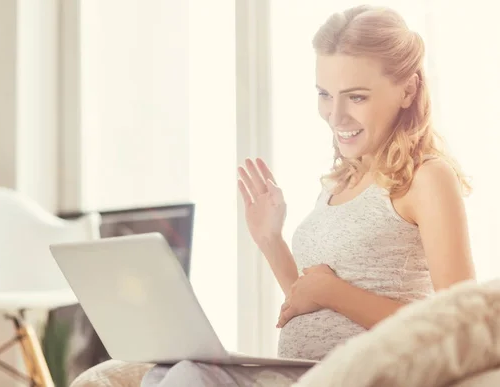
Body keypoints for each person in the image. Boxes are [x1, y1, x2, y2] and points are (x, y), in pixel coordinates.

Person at [71, 5, 476, 387]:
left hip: (363, 376)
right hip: (304, 373)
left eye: (356, 97)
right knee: (164, 373)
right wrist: (270, 239)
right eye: (324, 94)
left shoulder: (426, 177)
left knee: (188, 379)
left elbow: (461, 325)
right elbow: (309, 300)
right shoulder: (340, 181)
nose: (335, 116)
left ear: (408, 90)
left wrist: (332, 291)